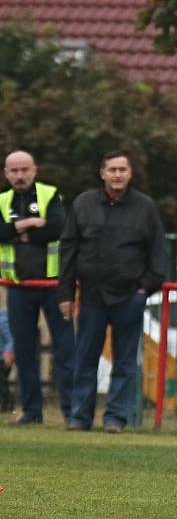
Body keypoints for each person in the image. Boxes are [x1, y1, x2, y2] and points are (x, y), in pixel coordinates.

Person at [58, 151, 167, 433]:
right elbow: (68, 249)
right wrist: (66, 293)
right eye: (112, 170)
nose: (117, 175)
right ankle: (80, 417)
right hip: (91, 296)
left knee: (125, 361)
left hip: (129, 297)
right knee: (85, 359)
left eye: (122, 170)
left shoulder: (145, 208)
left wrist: (145, 287)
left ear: (130, 174)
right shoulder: (83, 204)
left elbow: (158, 252)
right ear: (102, 173)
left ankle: (115, 418)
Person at [0, 150, 73, 425]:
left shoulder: (50, 194)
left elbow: (57, 227)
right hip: (18, 287)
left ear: (34, 170)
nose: (20, 176)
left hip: (54, 286)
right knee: (24, 352)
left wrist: (14, 231)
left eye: (24, 170)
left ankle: (71, 413)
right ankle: (32, 413)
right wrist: (30, 223)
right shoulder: (2, 200)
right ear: (6, 174)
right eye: (14, 171)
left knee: (65, 349)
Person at [0, 308, 15, 413]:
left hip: (2, 358)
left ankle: (7, 406)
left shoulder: (2, 320)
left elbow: (10, 339)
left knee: (1, 384)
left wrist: (8, 353)